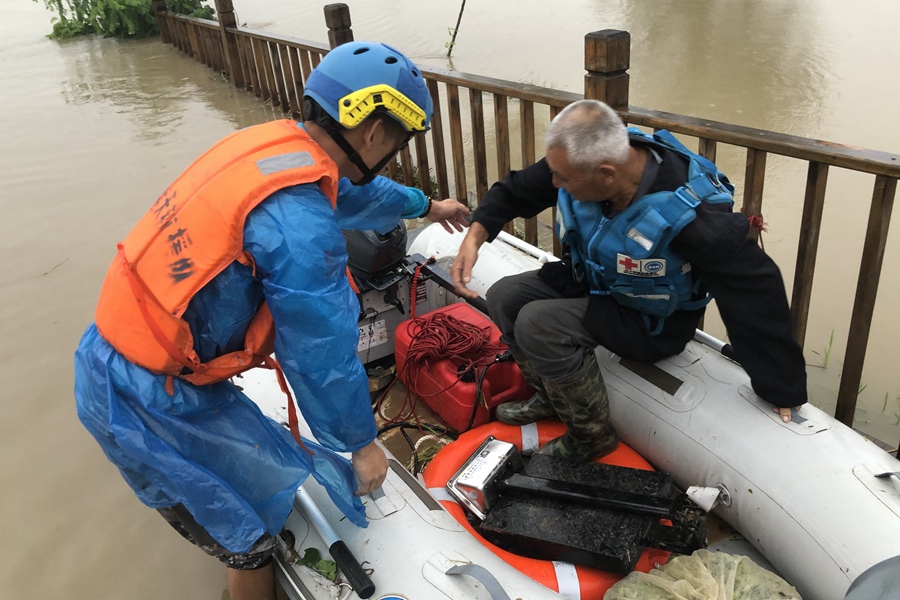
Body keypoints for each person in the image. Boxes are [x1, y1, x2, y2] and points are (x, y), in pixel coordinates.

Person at [74, 41, 469, 600]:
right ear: (374, 133)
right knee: (249, 538)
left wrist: (428, 207)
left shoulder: (272, 149)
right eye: (399, 139)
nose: (393, 150)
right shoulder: (299, 228)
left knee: (243, 511)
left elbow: (353, 193)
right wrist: (361, 443)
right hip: (148, 399)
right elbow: (321, 349)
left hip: (114, 355)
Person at [451, 99, 806, 461]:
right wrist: (474, 238)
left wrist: (781, 386)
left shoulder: (689, 217)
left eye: (563, 178)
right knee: (503, 296)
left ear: (605, 174)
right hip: (595, 282)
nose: (553, 183)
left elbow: (756, 285)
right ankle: (551, 397)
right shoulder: (585, 161)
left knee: (537, 324)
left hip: (650, 323)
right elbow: (518, 189)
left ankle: (592, 437)